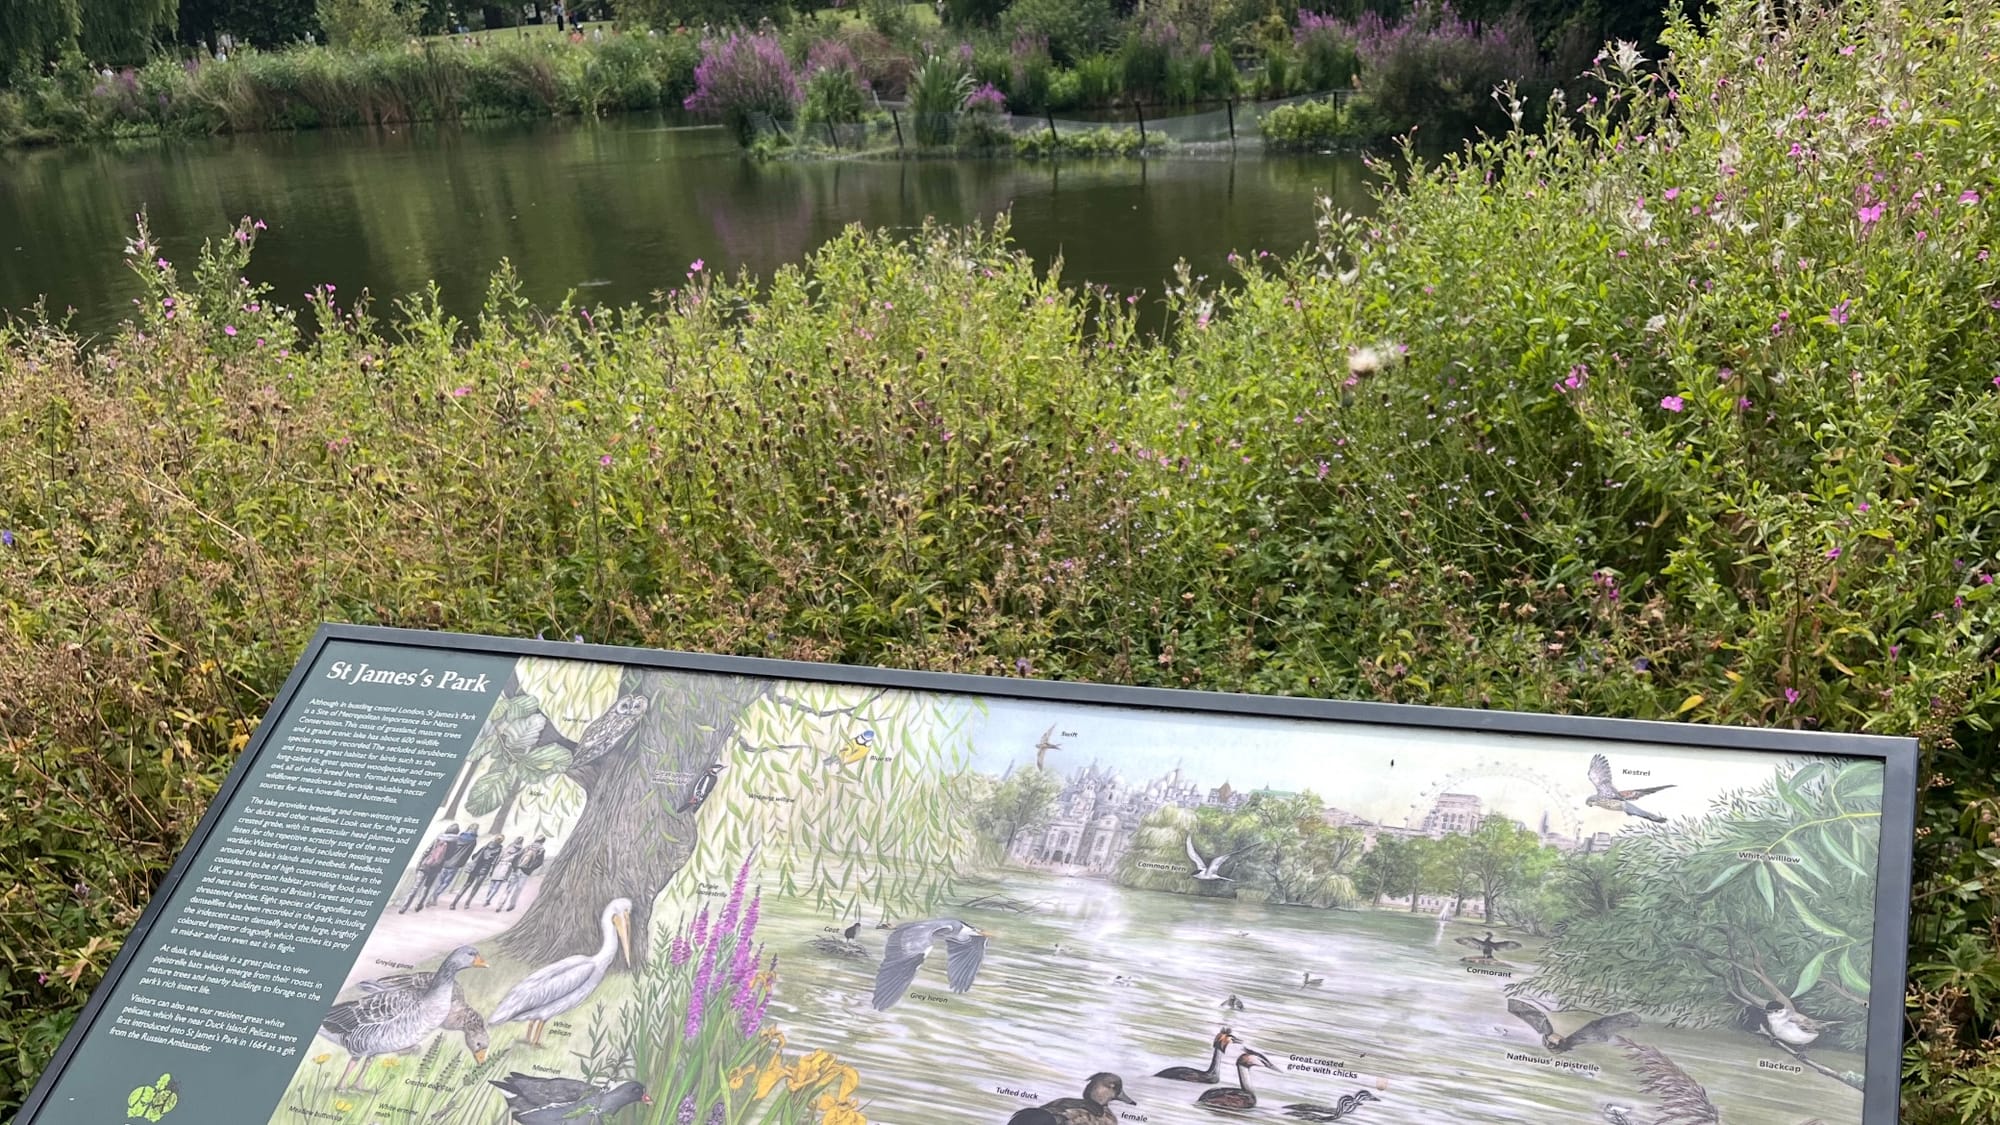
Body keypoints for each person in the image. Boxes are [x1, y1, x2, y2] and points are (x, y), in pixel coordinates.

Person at [399, 822, 459, 914]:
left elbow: (427, 851)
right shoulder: (454, 843)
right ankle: (419, 905)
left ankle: (404, 907)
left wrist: (420, 863)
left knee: (415, 887)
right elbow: (448, 857)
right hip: (436, 868)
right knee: (427, 887)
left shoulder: (439, 838)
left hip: (425, 864)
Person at [423, 823, 481, 909]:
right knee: (446, 882)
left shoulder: (458, 837)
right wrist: (461, 863)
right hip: (456, 864)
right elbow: (467, 854)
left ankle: (433, 897)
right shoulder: (473, 841)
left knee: (440, 881)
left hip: (446, 861)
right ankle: (434, 896)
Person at [452, 834, 506, 909]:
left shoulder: (487, 845)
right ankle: (467, 903)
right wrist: (491, 872)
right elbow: (495, 861)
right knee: (476, 887)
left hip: (476, 867)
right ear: (502, 841)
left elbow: (475, 855)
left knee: (466, 885)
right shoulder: (500, 849)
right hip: (485, 869)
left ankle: (454, 903)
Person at [499, 836, 547, 912]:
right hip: (525, 872)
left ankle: (501, 903)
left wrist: (515, 866)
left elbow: (517, 855)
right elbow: (539, 862)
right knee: (518, 889)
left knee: (509, 887)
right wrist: (530, 868)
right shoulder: (541, 850)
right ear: (543, 842)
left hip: (517, 869)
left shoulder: (528, 846)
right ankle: (511, 905)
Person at [483, 836, 525, 905]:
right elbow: (516, 860)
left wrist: (495, 865)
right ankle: (488, 899)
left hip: (499, 864)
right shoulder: (520, 850)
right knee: (497, 885)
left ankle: (487, 899)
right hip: (507, 866)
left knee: (492, 883)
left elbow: (500, 855)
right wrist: (514, 869)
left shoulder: (508, 846)